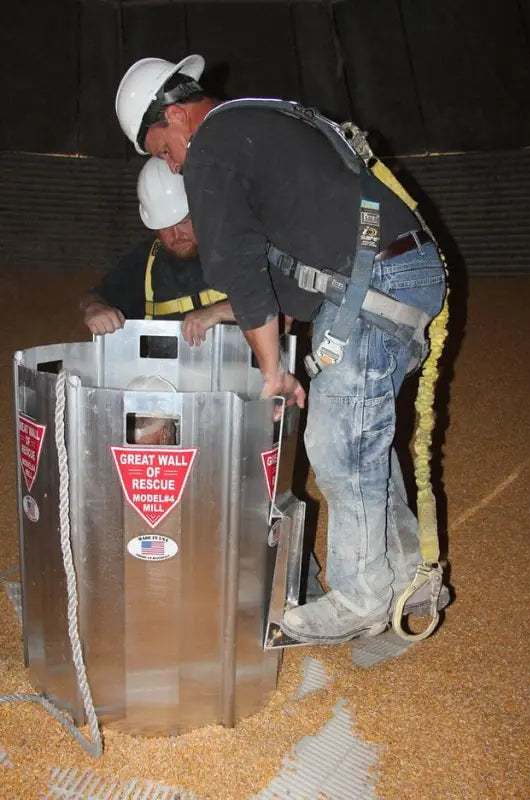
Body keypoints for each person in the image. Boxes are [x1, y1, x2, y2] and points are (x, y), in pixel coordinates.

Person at [115, 55, 450, 645]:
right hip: (395, 270)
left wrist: (271, 370)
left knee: (337, 443)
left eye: (161, 147)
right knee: (362, 435)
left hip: (376, 281)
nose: (169, 162)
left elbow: (242, 272)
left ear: (174, 116)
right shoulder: (261, 121)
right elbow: (293, 283)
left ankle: (361, 596)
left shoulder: (212, 150)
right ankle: (405, 577)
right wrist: (227, 316)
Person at [80, 155, 234, 346]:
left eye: (184, 222)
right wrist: (94, 308)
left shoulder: (241, 248)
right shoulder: (146, 262)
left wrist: (218, 312)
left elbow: (281, 311)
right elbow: (96, 295)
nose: (177, 235)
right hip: (162, 375)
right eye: (165, 227)